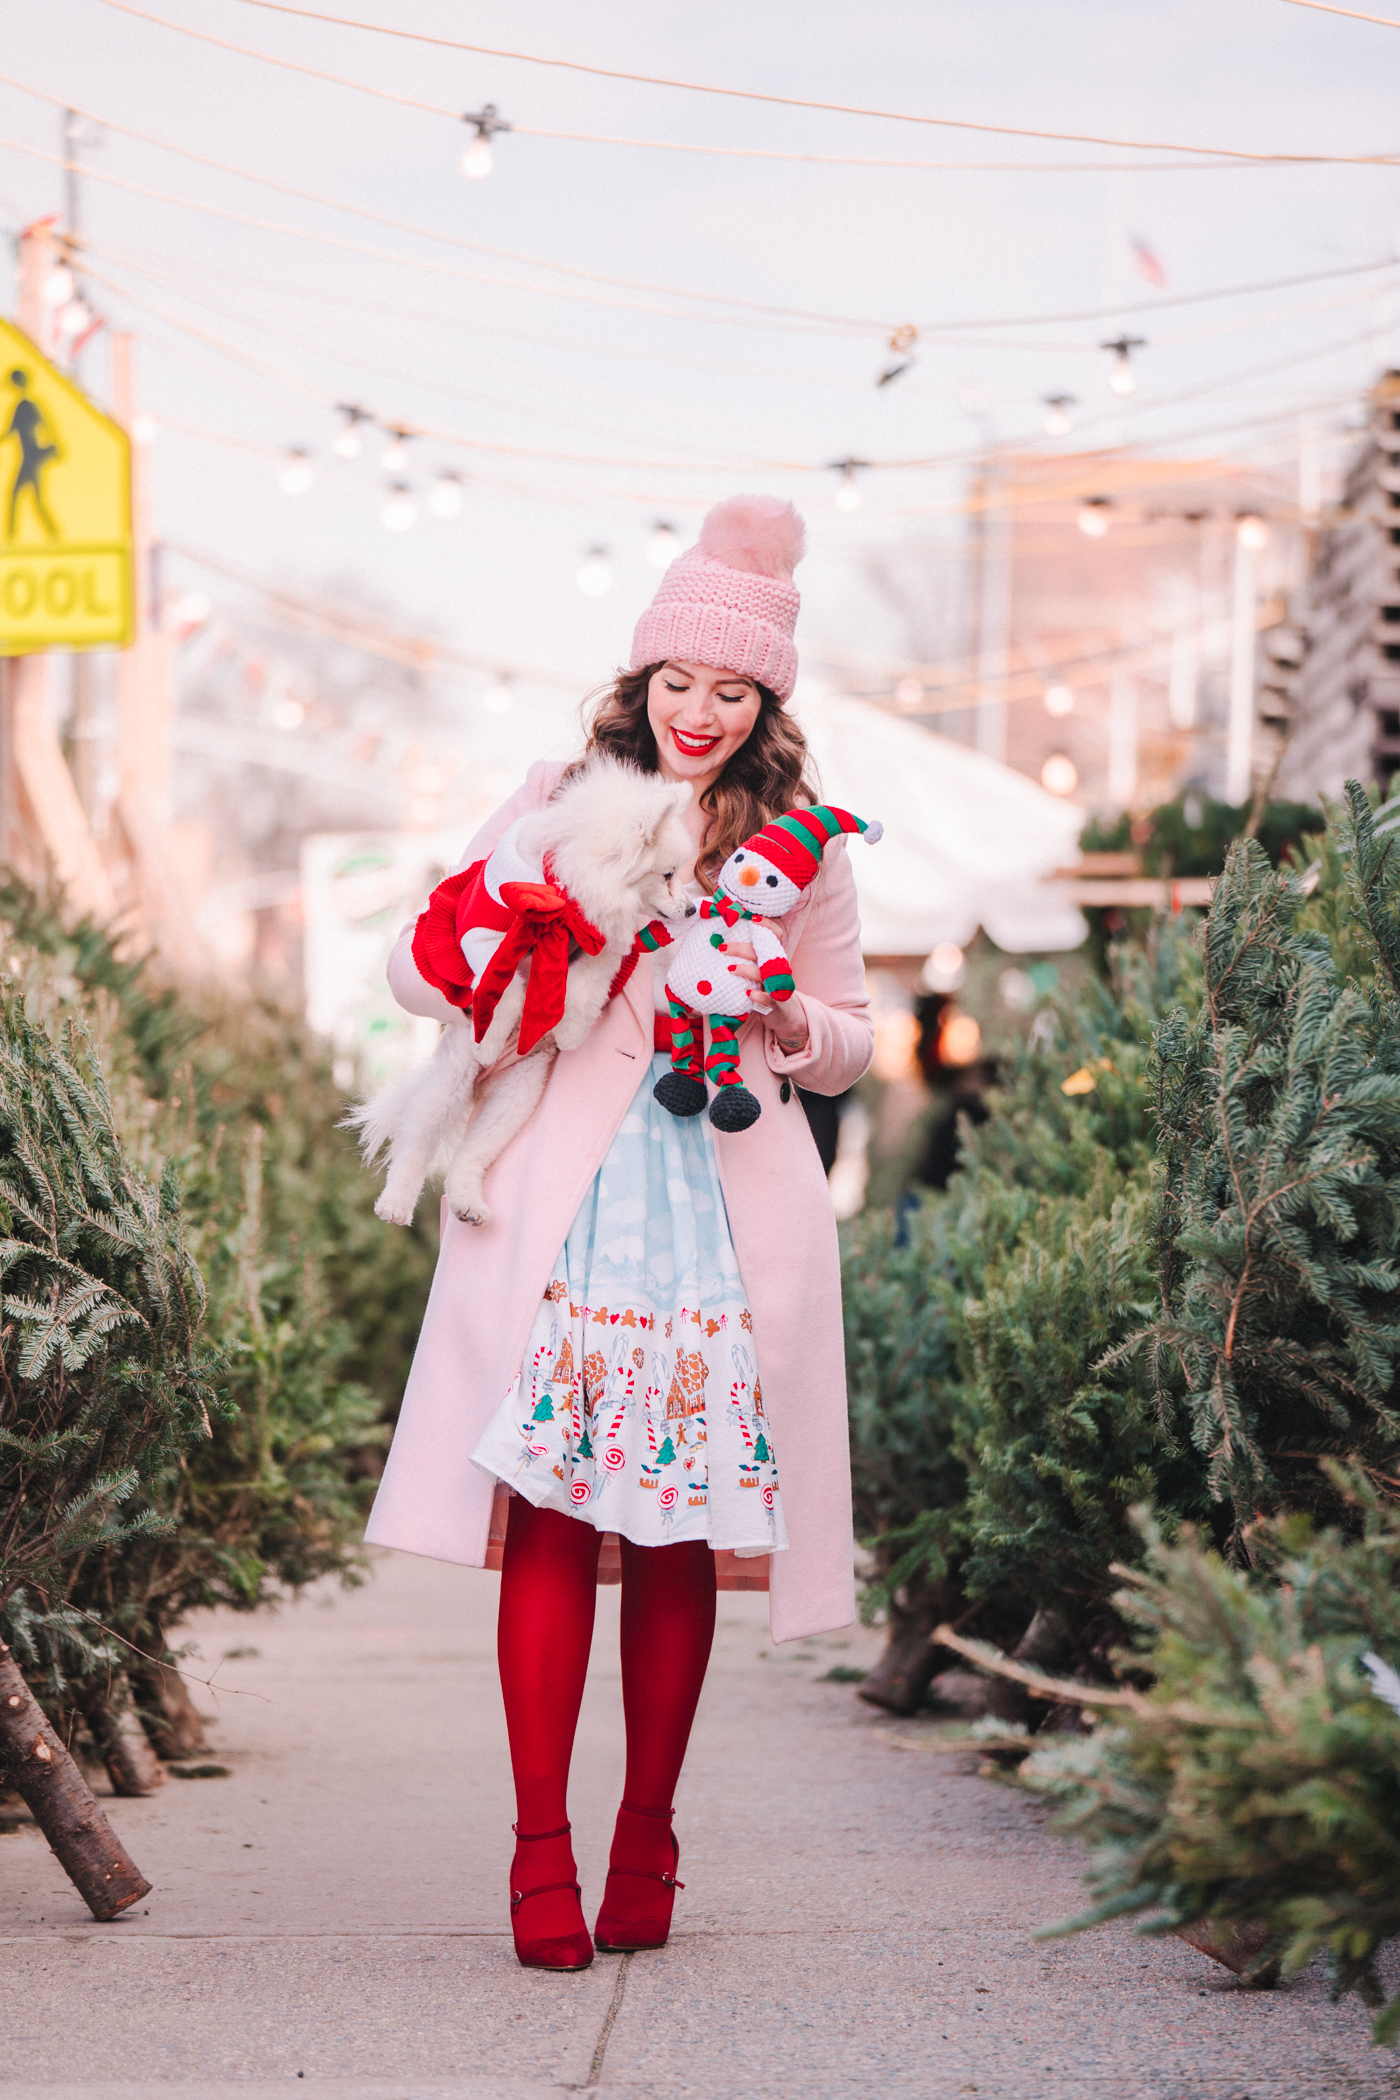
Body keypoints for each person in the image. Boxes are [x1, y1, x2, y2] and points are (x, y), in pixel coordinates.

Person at [365, 495, 874, 1972]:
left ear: (765, 699)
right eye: (677, 683)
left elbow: (852, 1036)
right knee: (559, 1515)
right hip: (564, 1215)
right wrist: (533, 916)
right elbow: (422, 963)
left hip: (720, 1214)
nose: (699, 712)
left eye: (731, 690)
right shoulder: (555, 790)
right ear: (639, 682)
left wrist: (787, 1018)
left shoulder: (802, 845)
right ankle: (539, 1853)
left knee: (678, 1534)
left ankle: (648, 1831)